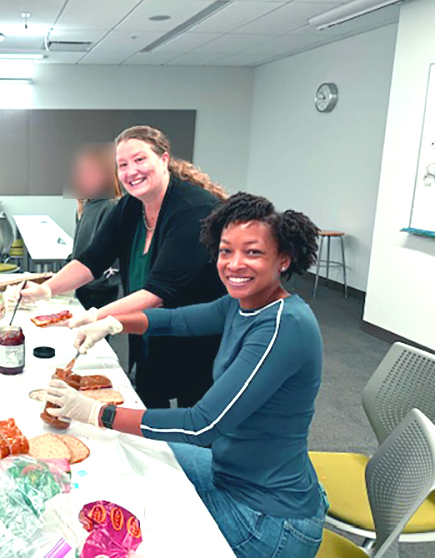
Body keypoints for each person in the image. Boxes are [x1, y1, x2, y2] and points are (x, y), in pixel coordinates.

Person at [47, 193, 327, 558]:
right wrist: (110, 322)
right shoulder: (241, 304)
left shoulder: (282, 326)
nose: (235, 264)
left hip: (266, 519)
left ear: (283, 259)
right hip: (232, 471)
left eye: (253, 252)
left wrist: (98, 413)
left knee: (134, 526)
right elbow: (176, 320)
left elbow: (201, 426)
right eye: (226, 251)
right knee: (130, 452)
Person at [20, 125, 228, 408]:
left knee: (194, 411)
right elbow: (92, 260)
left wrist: (97, 316)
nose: (131, 171)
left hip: (196, 336)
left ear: (164, 159)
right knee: (149, 401)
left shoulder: (194, 210)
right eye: (123, 165)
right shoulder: (131, 207)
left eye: (140, 159)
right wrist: (45, 289)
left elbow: (159, 292)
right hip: (148, 328)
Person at [67, 143, 122, 311]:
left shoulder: (110, 207)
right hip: (83, 288)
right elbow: (80, 251)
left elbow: (108, 261)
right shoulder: (88, 206)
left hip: (100, 294)